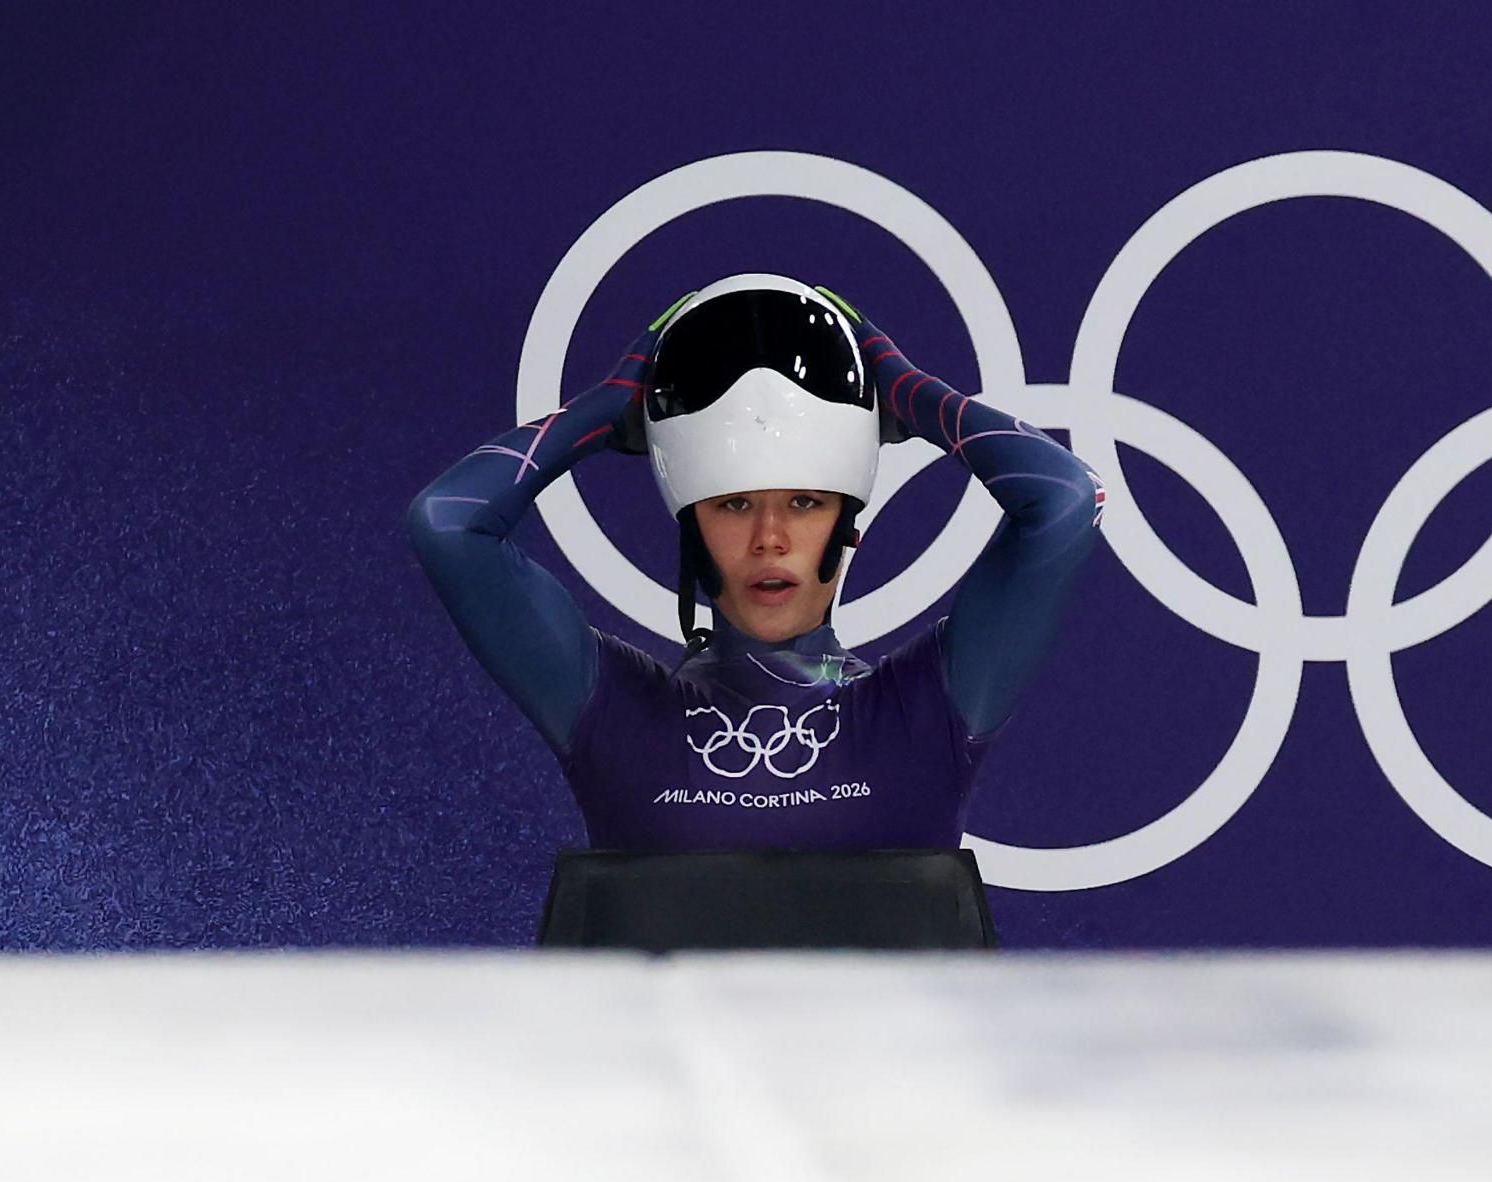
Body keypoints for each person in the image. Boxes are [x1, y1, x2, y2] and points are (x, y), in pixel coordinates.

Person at [407, 273, 1104, 849]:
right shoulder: (615, 712)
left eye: (804, 503)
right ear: (691, 533)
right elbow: (446, 524)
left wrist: (904, 387)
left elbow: (1068, 499)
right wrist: (609, 406)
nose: (770, 537)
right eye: (735, 505)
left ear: (849, 529)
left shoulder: (925, 712)